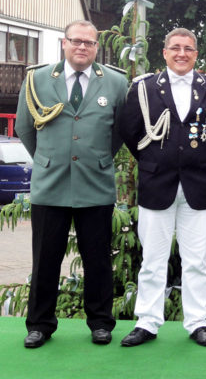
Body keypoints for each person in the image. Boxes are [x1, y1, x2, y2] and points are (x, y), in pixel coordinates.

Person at [15, 20, 128, 348]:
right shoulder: (37, 79)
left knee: (98, 259)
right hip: (50, 185)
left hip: (95, 183)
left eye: (89, 43)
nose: (83, 47)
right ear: (63, 44)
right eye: (76, 41)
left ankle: (100, 322)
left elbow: (119, 132)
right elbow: (24, 127)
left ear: (96, 47)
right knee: (45, 258)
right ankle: (39, 324)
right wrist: (49, 159)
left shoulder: (116, 83)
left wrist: (98, 158)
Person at [118, 28, 206, 347]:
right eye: (175, 48)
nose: (182, 54)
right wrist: (155, 159)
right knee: (153, 258)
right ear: (164, 52)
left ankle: (197, 321)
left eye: (188, 49)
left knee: (196, 259)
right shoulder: (144, 87)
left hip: (198, 184)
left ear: (197, 54)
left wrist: (196, 156)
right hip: (157, 183)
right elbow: (130, 129)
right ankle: (148, 321)